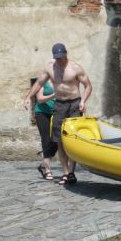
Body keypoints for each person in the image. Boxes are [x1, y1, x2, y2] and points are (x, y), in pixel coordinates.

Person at [23, 43, 92, 185]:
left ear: (66, 54)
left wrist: (83, 101)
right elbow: (38, 83)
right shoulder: (50, 67)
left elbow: (88, 86)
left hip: (74, 103)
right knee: (59, 139)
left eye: (62, 57)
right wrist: (28, 97)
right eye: (57, 58)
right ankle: (66, 173)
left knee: (73, 139)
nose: (60, 60)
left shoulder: (75, 68)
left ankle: (72, 172)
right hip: (59, 104)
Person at [33, 80, 57, 180]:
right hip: (42, 113)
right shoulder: (44, 82)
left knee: (57, 140)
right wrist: (54, 95)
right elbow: (39, 99)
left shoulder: (61, 82)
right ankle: (47, 170)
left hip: (56, 113)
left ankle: (43, 165)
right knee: (46, 139)